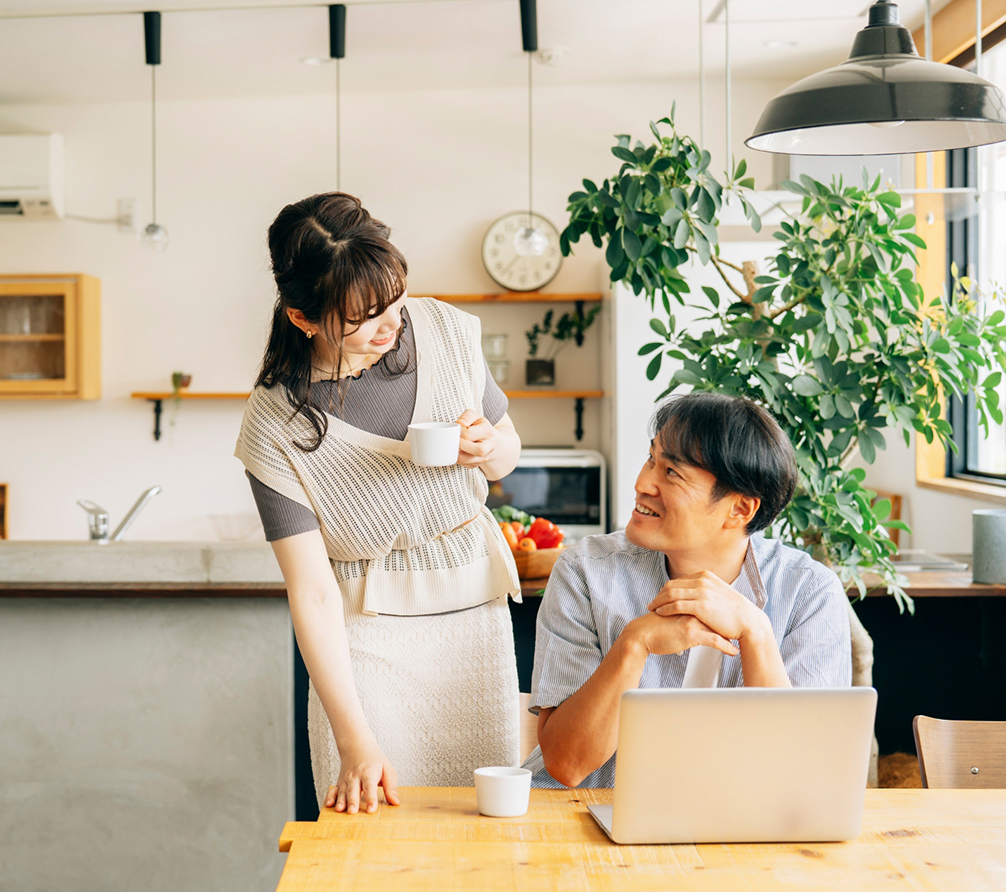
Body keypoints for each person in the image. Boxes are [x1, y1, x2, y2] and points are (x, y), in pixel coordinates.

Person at [235, 192, 523, 814]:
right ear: (303, 318)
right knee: (376, 842)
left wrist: (487, 449)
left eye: (393, 301)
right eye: (363, 318)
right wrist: (354, 738)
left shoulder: (445, 330)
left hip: (476, 620)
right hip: (363, 644)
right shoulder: (275, 424)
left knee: (485, 834)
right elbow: (312, 593)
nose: (391, 325)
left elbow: (508, 453)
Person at [522, 392, 852, 788]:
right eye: (651, 460)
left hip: (733, 833)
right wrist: (634, 643)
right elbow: (567, 764)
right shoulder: (586, 571)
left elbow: (798, 777)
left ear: (740, 509)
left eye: (672, 473)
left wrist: (756, 633)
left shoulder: (809, 592)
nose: (642, 483)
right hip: (581, 820)